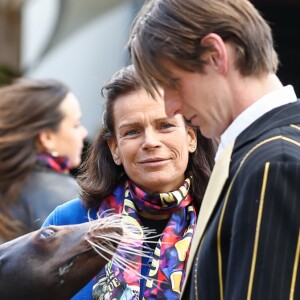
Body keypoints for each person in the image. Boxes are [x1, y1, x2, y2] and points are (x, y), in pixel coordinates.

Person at [128, 0, 300, 299]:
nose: (172, 106)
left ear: (214, 55)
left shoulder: (274, 163)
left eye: (173, 83)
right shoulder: (266, 153)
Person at [42, 64, 217, 300]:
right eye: (132, 132)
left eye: (165, 126)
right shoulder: (68, 225)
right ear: (115, 149)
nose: (150, 142)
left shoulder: (223, 221)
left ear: (190, 138)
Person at [0, 78, 88, 243]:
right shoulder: (68, 199)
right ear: (47, 137)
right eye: (76, 124)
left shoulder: (8, 184)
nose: (84, 132)